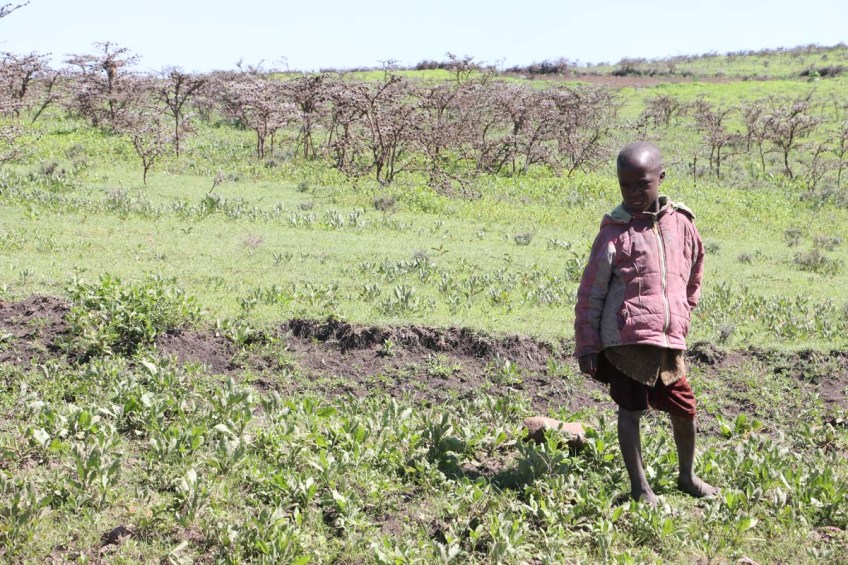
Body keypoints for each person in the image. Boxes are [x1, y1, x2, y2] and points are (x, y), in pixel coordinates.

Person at [574, 141, 718, 506]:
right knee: (630, 410)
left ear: (661, 178)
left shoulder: (682, 224)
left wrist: (685, 309)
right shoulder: (614, 232)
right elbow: (590, 292)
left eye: (643, 184)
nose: (635, 193)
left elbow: (695, 269)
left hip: (668, 341)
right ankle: (640, 487)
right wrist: (588, 344)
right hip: (626, 341)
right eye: (627, 185)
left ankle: (687, 476)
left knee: (685, 409)